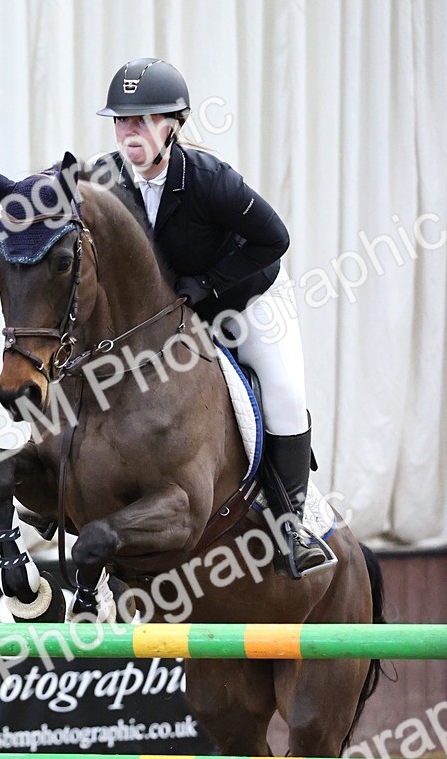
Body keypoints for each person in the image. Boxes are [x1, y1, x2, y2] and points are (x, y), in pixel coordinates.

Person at [95, 57, 333, 578]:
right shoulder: (106, 181)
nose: (130, 131)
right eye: (121, 119)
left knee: (284, 393)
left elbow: (274, 239)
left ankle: (292, 526)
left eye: (143, 120)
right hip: (179, 314)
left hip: (248, 299)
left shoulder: (209, 179)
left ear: (172, 125)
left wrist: (209, 284)